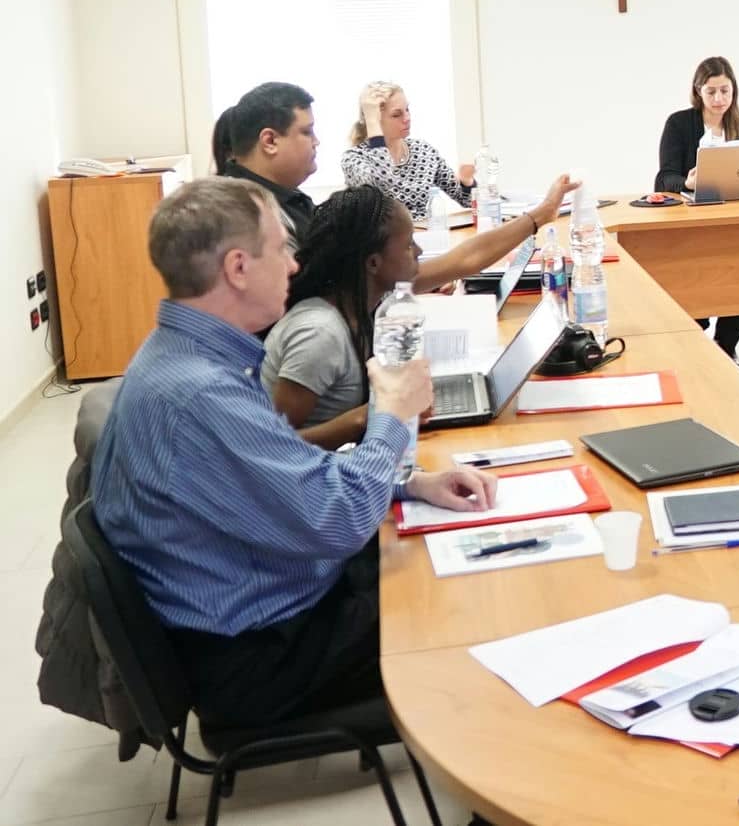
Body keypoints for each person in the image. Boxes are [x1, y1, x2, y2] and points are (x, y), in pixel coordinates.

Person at [89, 177, 497, 730]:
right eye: (282, 249)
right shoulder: (199, 395)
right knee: (488, 603)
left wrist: (407, 484)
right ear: (238, 267)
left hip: (264, 608)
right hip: (265, 657)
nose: (294, 265)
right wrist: (392, 414)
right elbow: (340, 519)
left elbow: (289, 473)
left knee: (443, 558)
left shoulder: (187, 355)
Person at [264, 175, 577, 449]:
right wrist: (370, 416)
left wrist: (540, 215)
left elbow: (466, 259)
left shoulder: (365, 291)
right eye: (408, 245)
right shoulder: (320, 333)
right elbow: (270, 446)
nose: (419, 251)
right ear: (373, 263)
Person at [656, 57, 739, 358]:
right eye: (711, 91)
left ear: (734, 91)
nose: (719, 99)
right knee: (696, 276)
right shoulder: (679, 123)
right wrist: (687, 183)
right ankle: (696, 338)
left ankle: (726, 347)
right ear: (698, 91)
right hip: (691, 224)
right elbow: (665, 176)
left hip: (735, 223)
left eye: (725, 91)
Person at [339, 81, 475, 221]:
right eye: (396, 115)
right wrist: (372, 123)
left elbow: (466, 201)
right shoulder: (354, 159)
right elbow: (383, 185)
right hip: (381, 241)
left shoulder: (423, 150)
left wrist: (467, 181)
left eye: (407, 110)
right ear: (372, 120)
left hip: (423, 238)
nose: (407, 118)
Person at [212, 81, 321, 244]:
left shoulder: (285, 195)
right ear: (270, 142)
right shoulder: (246, 213)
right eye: (306, 132)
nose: (316, 141)